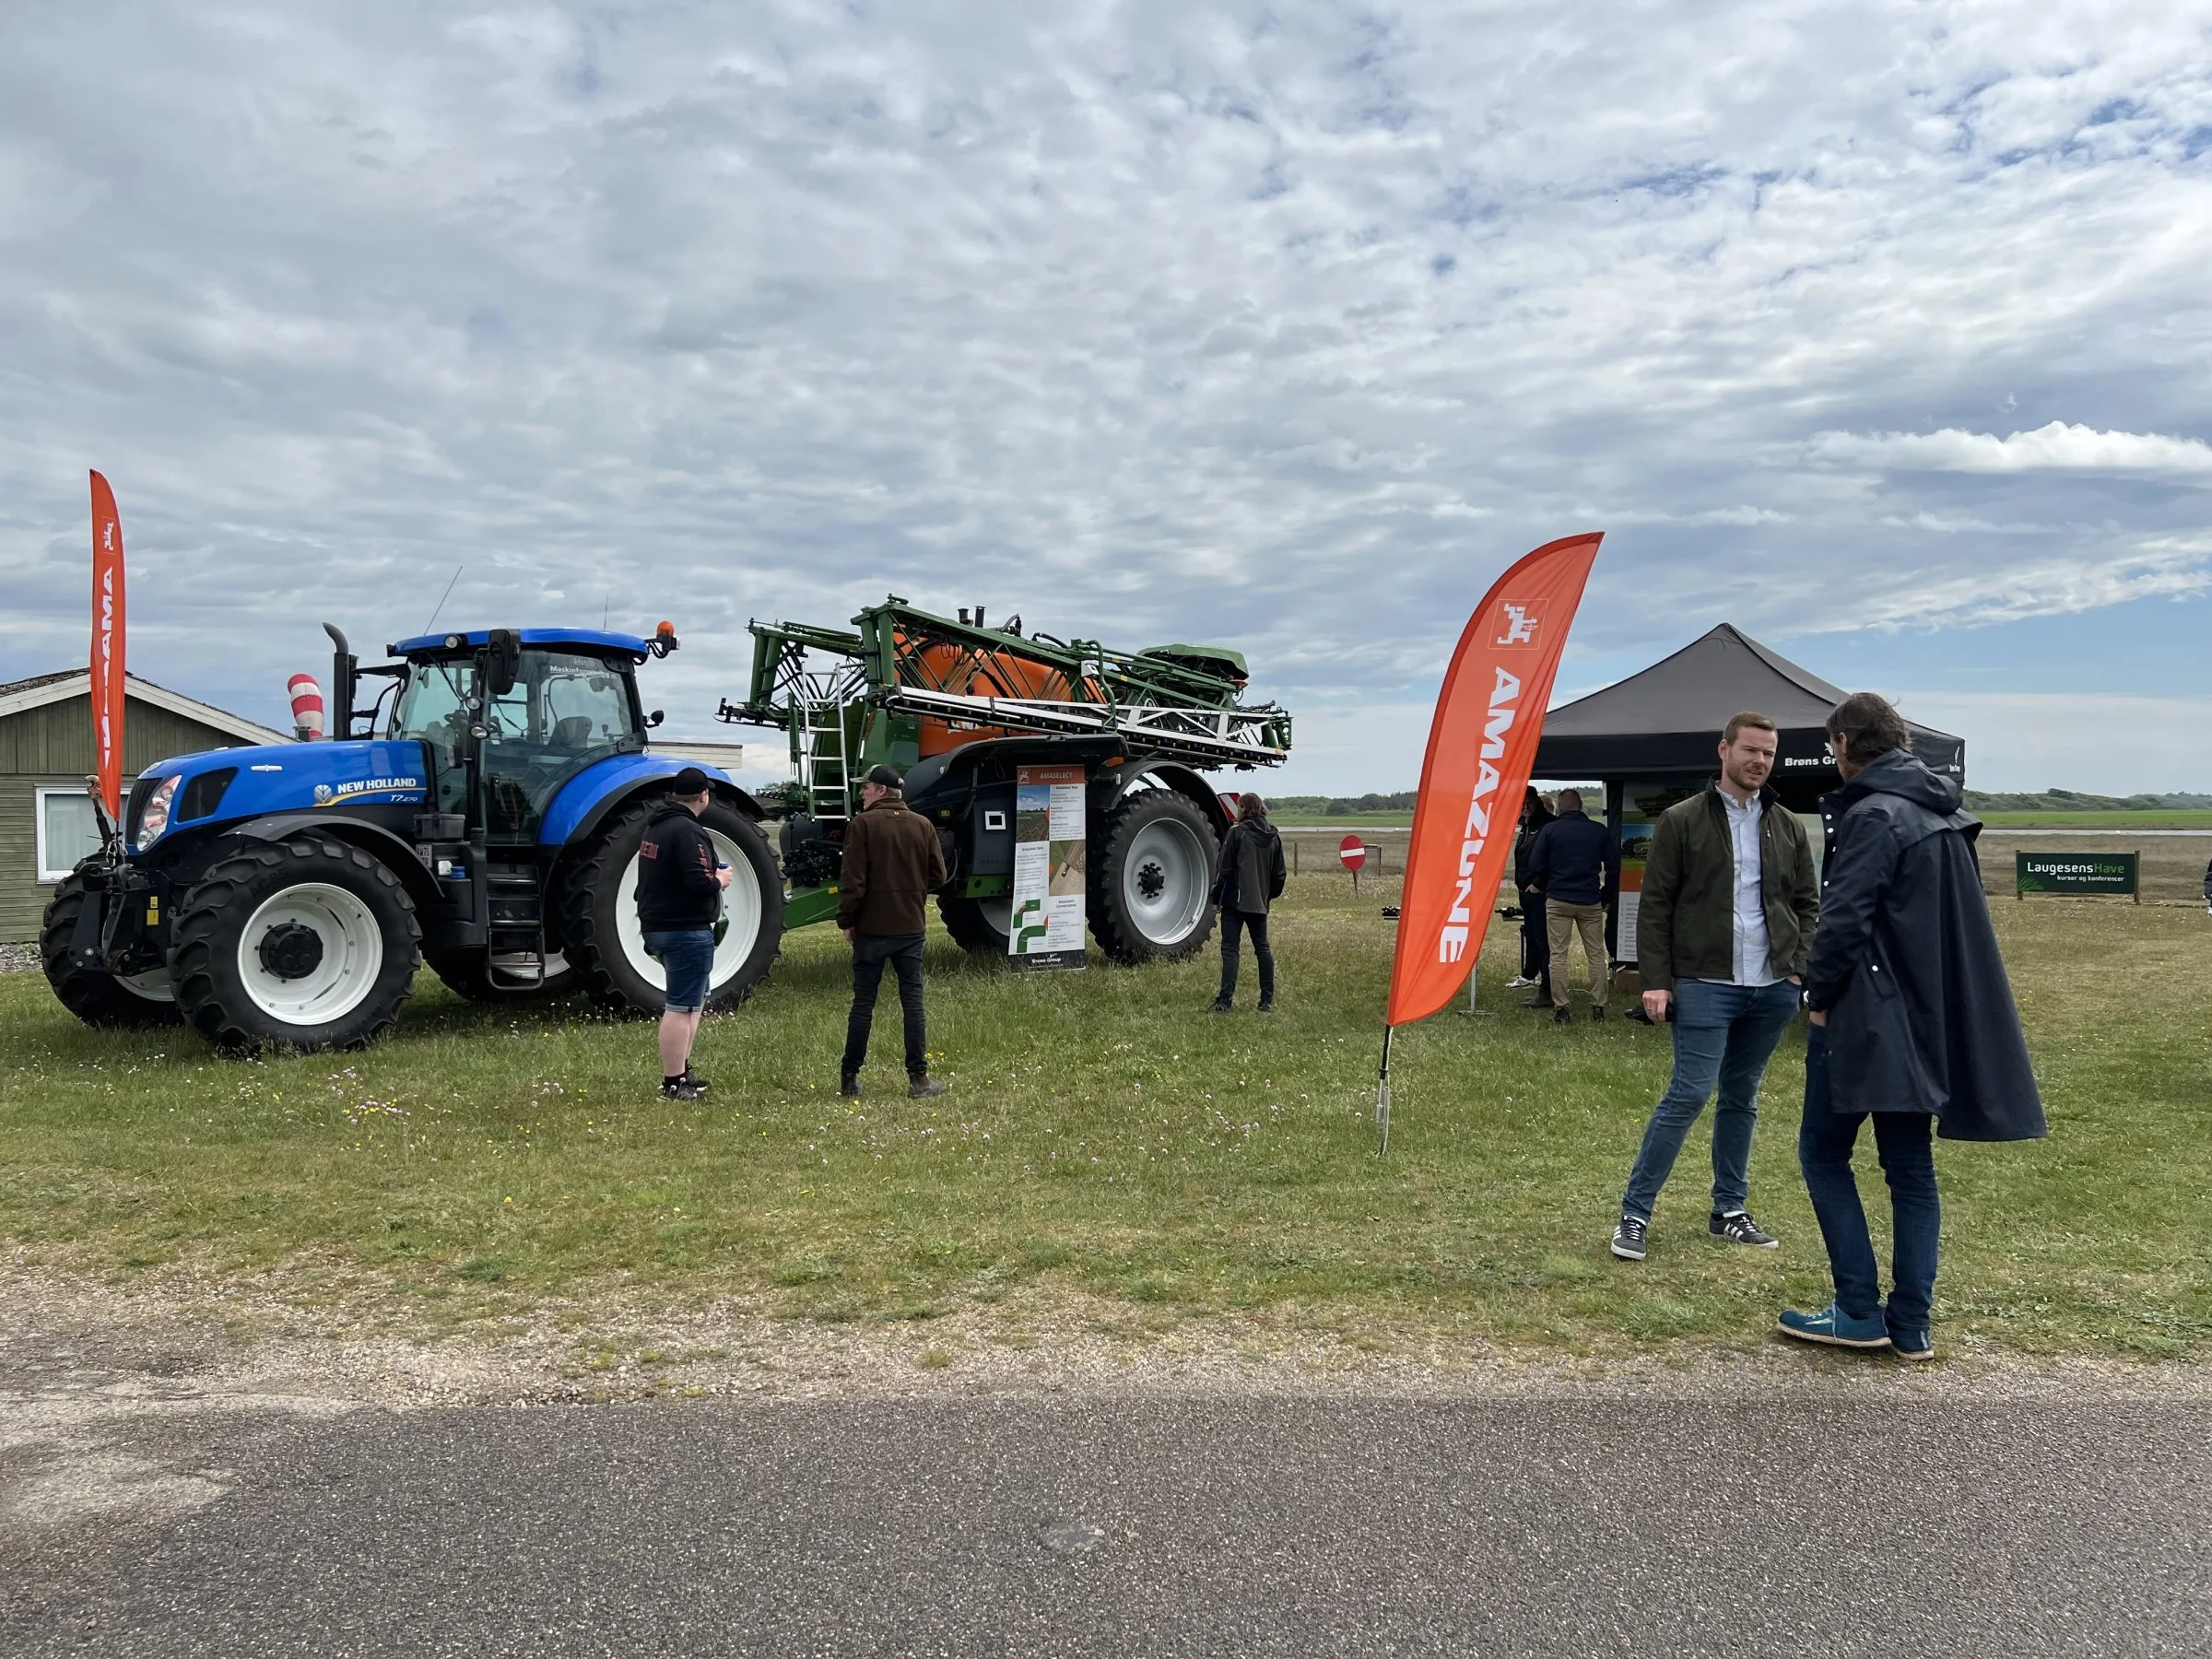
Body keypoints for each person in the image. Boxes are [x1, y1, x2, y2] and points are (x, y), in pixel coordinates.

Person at [1780, 693, 2045, 1359]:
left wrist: (1818, 993)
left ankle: (1859, 1309)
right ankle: (1912, 1323)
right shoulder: (1944, 812)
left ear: (1843, 742)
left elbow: (1844, 919)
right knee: (1910, 1169)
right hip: (1925, 1016)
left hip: (1866, 1019)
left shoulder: (1873, 815)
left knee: (1822, 1153)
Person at [1609, 713, 1819, 1263]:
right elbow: (1654, 907)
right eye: (1751, 750)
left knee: (1742, 1097)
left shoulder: (1788, 825)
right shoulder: (1682, 820)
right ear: (1723, 750)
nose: (1760, 762)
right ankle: (1635, 1213)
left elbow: (1807, 903)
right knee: (1690, 1093)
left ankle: (1729, 1210)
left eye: (1769, 754)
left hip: (1772, 985)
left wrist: (1797, 967)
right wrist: (1654, 981)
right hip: (1705, 983)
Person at [839, 763, 951, 1100]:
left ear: (881, 791)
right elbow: (939, 876)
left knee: (863, 1004)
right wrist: (912, 891)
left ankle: (850, 1077)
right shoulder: (922, 825)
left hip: (872, 929)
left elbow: (853, 881)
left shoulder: (862, 825)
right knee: (913, 1003)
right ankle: (919, 1080)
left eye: (866, 788)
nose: (862, 793)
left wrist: (847, 920)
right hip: (910, 928)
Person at [636, 767, 732, 1100]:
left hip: (657, 925)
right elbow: (698, 882)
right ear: (703, 795)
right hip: (685, 929)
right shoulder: (688, 831)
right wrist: (720, 880)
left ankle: (682, 1072)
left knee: (691, 1004)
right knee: (680, 1007)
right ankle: (673, 1082)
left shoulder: (656, 826)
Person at [1526, 787, 1617, 1024]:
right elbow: (1614, 867)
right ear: (1581, 805)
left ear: (1560, 806)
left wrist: (1546, 884)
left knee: (1558, 955)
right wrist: (1606, 894)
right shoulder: (1598, 831)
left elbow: (1536, 864)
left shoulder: (1550, 830)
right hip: (1589, 900)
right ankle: (1598, 1005)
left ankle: (1562, 1008)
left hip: (1558, 900)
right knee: (1596, 955)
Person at [1210, 793, 1287, 1013]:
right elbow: (1279, 875)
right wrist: (1267, 896)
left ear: (1243, 808)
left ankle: (1225, 1002)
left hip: (1234, 902)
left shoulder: (1236, 833)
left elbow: (1224, 869)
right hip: (1259, 903)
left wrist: (1217, 899)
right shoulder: (1274, 837)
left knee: (1230, 950)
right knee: (1262, 948)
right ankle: (1266, 1001)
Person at [1510, 786, 1555, 1004]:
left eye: (1529, 803)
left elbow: (1552, 859)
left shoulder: (1547, 825)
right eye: (1522, 804)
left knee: (1542, 939)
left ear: (1537, 802)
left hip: (1540, 892)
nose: (1525, 807)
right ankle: (1530, 974)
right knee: (1531, 936)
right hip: (1524, 890)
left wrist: (1538, 884)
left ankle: (1548, 988)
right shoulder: (1525, 825)